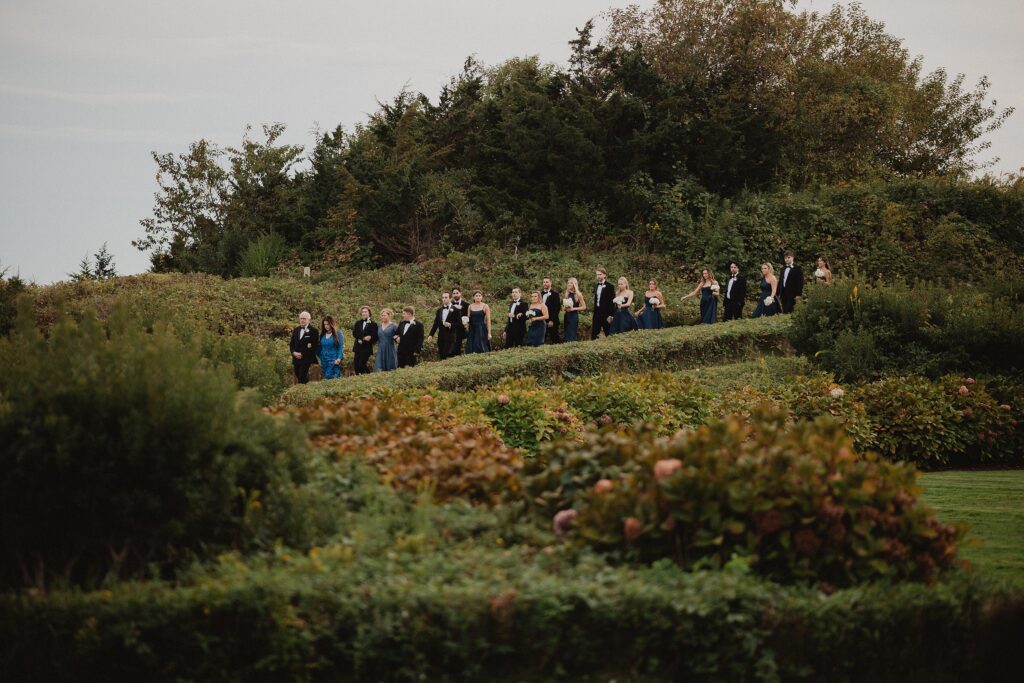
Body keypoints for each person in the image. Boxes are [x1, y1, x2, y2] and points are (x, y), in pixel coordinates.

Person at [289, 311, 320, 384]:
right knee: (297, 374)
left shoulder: (314, 331)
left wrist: (302, 354)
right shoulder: (296, 330)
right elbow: (292, 344)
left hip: (307, 358)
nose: (302, 320)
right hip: (296, 357)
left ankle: (303, 389)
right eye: (301, 318)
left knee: (301, 375)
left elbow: (314, 346)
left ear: (309, 320)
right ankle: (307, 386)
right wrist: (293, 353)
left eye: (304, 319)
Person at [427, 292, 458, 360]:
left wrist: (450, 324)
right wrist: (431, 335)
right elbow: (435, 324)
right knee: (442, 356)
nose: (444, 299)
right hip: (441, 337)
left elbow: (459, 324)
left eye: (446, 297)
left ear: (450, 298)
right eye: (443, 297)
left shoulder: (456, 310)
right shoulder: (439, 310)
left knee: (448, 355)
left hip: (450, 337)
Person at [352, 306, 377, 375]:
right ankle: (359, 378)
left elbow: (375, 337)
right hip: (357, 347)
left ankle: (369, 376)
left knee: (361, 364)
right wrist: (362, 338)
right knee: (356, 366)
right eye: (362, 312)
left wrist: (370, 338)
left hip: (366, 348)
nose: (364, 313)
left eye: (365, 312)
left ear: (369, 313)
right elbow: (354, 333)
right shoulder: (358, 323)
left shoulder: (373, 324)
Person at [591, 267, 615, 339]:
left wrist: (611, 315)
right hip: (597, 312)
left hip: (606, 313)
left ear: (604, 275)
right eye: (597, 275)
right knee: (594, 333)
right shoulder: (596, 286)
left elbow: (612, 302)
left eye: (600, 274)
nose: (598, 276)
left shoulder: (610, 286)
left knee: (608, 333)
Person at [318, 315, 344, 380]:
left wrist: (339, 358)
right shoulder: (322, 334)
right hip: (324, 361)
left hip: (333, 360)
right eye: (325, 324)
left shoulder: (338, 333)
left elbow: (340, 347)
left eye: (328, 324)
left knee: (330, 377)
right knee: (326, 378)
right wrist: (320, 356)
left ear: (332, 324)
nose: (326, 326)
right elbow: (319, 347)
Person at [562, 278, 587, 342]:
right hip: (567, 316)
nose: (569, 284)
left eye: (571, 283)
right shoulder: (567, 293)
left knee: (571, 335)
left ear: (574, 284)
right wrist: (565, 308)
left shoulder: (578, 294)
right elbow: (564, 306)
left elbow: (584, 307)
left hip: (573, 317)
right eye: (568, 283)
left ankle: (572, 346)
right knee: (566, 334)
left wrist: (573, 309)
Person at [540, 277, 561, 344]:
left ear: (551, 283)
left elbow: (557, 308)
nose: (545, 283)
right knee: (541, 339)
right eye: (544, 282)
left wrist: (552, 320)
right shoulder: (540, 294)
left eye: (547, 282)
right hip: (542, 320)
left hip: (552, 320)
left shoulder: (555, 294)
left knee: (555, 338)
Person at [449, 287, 469, 355]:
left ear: (460, 293)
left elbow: (469, 316)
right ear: (452, 295)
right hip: (452, 329)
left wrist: (467, 324)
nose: (455, 295)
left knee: (461, 346)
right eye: (454, 293)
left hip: (462, 329)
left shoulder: (466, 305)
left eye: (457, 293)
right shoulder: (449, 305)